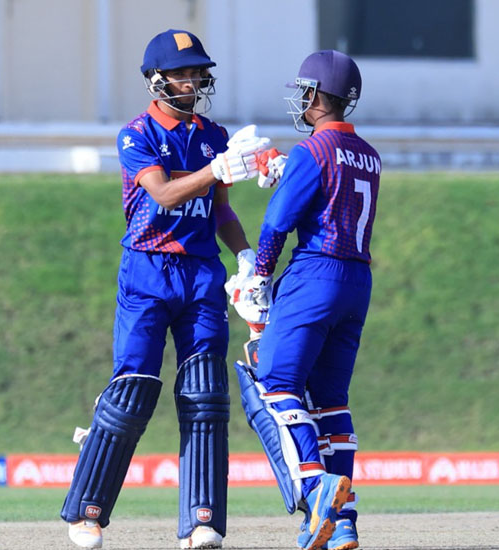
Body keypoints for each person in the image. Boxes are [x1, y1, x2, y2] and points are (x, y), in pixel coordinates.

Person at [60, 29, 270, 549]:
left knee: (205, 394)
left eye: (198, 72)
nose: (193, 81)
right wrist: (215, 169)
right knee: (132, 389)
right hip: (148, 270)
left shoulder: (214, 135)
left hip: (201, 272)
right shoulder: (137, 135)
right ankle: (86, 513)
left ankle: (202, 520)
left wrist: (245, 255)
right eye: (182, 73)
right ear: (157, 80)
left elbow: (220, 210)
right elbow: (165, 194)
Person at [232, 50, 380, 550]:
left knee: (275, 383)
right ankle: (344, 521)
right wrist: (286, 171)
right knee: (332, 401)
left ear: (316, 94)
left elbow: (277, 223)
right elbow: (331, 194)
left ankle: (317, 492)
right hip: (357, 280)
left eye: (304, 91)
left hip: (315, 275)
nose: (300, 99)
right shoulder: (369, 155)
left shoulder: (311, 151)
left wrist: (260, 275)